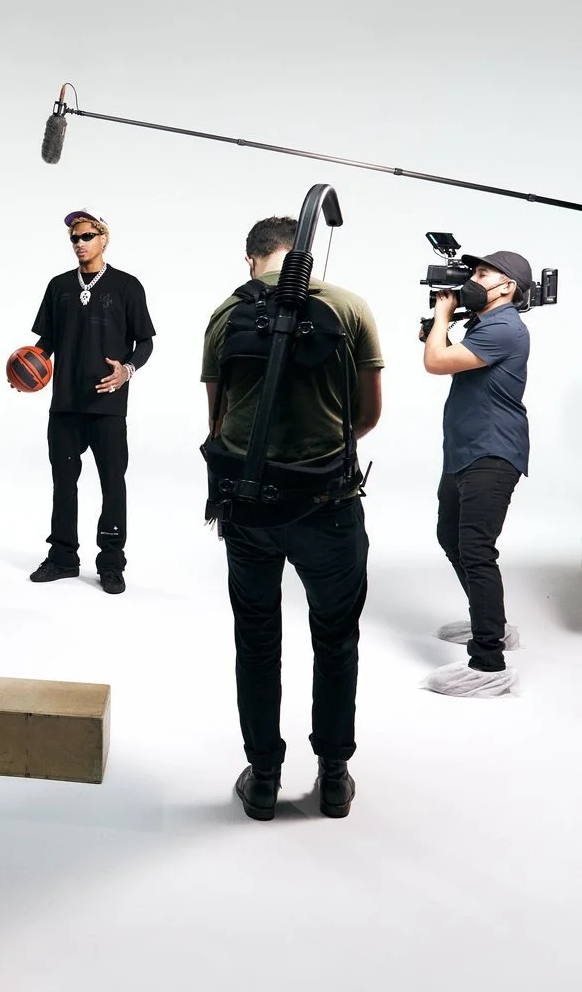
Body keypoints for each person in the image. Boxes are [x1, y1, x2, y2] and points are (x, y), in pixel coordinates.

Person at [201, 216, 383, 821]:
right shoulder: (350, 307)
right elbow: (366, 416)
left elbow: (218, 420)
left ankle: (263, 777)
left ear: (252, 259)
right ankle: (334, 776)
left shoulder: (225, 314)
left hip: (249, 509)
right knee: (336, 639)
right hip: (328, 507)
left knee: (256, 640)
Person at [421, 250, 532, 697]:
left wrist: (442, 315)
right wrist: (442, 327)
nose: (474, 278)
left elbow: (434, 362)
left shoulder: (505, 327)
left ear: (507, 287)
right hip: (466, 452)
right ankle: (494, 625)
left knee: (476, 549)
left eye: (484, 274)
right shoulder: (485, 325)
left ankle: (489, 664)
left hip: (492, 452)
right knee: (451, 537)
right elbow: (442, 350)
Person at [27, 209, 155, 594]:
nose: (79, 243)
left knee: (112, 484)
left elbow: (145, 342)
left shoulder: (127, 286)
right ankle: (63, 557)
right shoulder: (58, 286)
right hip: (65, 404)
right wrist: (27, 368)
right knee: (63, 483)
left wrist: (127, 370)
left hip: (107, 405)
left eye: (86, 236)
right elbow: (45, 343)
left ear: (103, 239)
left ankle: (111, 563)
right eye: (74, 238)